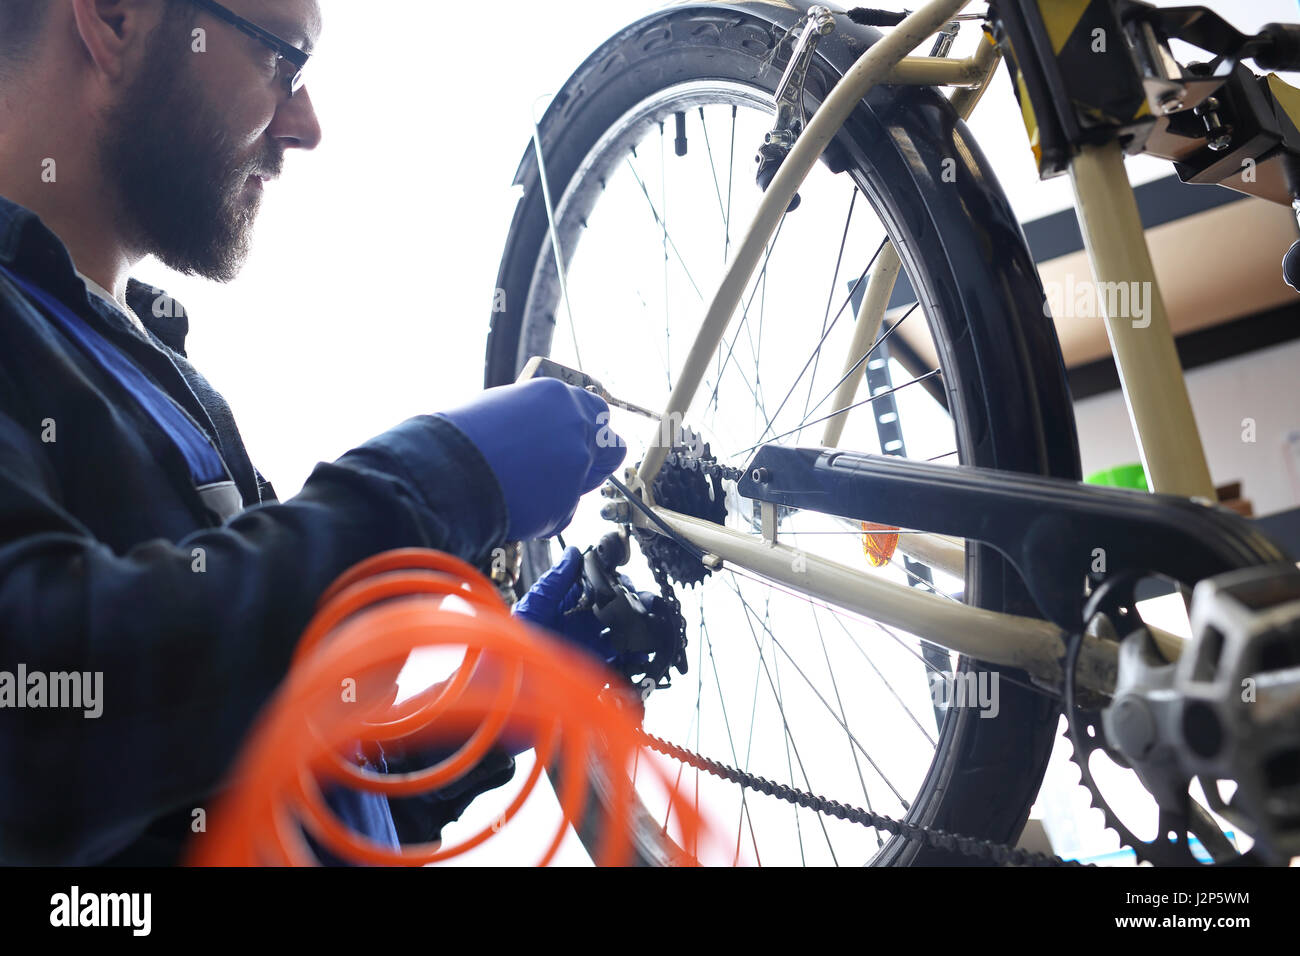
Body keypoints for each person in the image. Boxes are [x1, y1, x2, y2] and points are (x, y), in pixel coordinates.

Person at [0, 0, 622, 865]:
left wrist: (467, 725)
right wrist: (432, 484)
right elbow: (40, 717)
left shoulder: (168, 380)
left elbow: (225, 794)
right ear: (113, 19)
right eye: (283, 60)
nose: (307, 124)